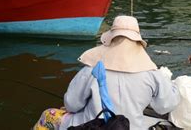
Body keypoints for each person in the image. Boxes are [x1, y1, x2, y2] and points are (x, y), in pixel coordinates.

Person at [34, 15, 180, 130]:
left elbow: (72, 104)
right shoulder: (152, 74)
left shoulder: (92, 69)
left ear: (111, 39)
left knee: (47, 115)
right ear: (137, 42)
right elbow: (165, 106)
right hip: (131, 128)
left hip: (92, 126)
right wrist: (172, 86)